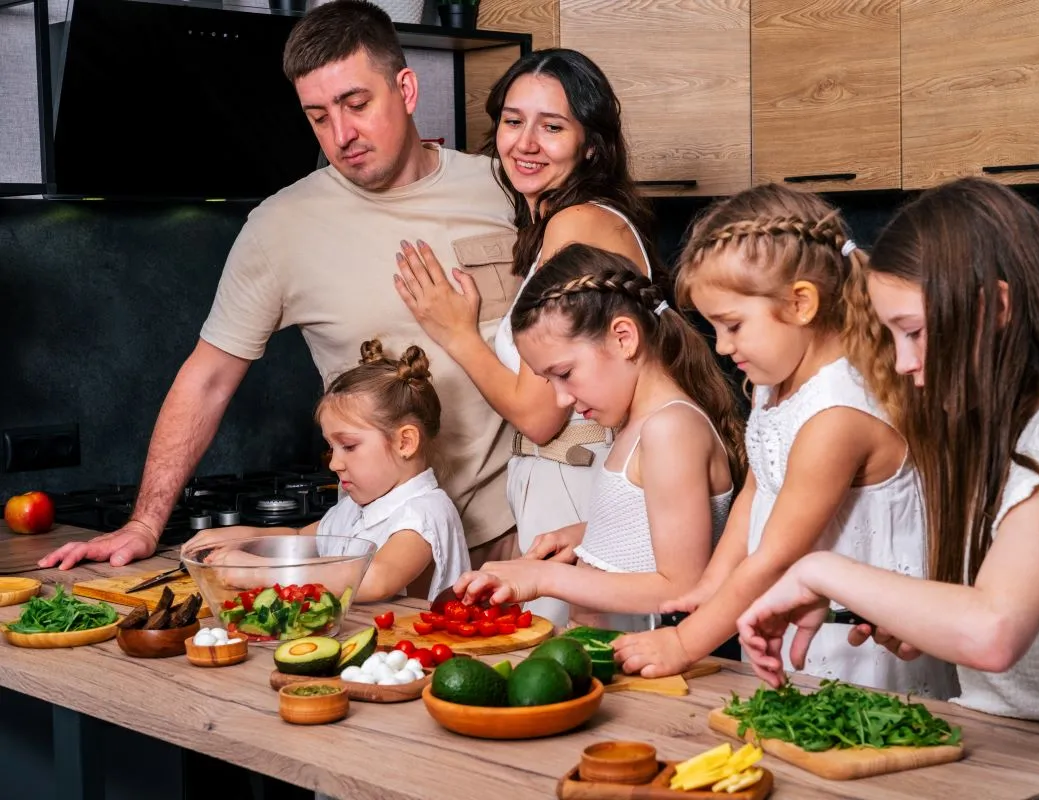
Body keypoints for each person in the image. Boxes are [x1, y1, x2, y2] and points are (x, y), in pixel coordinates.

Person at [737, 177, 1039, 799]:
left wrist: (823, 571)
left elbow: (993, 631)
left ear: (995, 309)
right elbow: (998, 605)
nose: (901, 362)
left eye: (915, 331)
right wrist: (903, 614)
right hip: (1035, 755)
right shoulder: (990, 428)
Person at [39, 0, 520, 572]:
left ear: (407, 90)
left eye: (356, 103)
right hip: (376, 548)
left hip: (517, 531)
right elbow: (208, 379)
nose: (341, 134)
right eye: (318, 116)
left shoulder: (503, 187)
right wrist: (145, 522)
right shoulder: (280, 226)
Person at [613, 185, 956, 700]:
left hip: (858, 650)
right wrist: (711, 585)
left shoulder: (837, 414)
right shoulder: (777, 384)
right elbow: (759, 488)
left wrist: (686, 642)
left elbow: (776, 555)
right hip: (789, 623)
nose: (724, 348)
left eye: (731, 326)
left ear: (800, 303)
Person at [391, 48, 655, 626]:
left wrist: (455, 331)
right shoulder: (563, 225)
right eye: (513, 121)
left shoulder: (577, 223)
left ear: (591, 143)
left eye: (552, 126)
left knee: (582, 678)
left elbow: (541, 414)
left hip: (579, 480)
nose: (525, 143)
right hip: (570, 485)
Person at [453, 244, 743, 631]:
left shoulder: (670, 429)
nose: (561, 399)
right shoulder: (638, 423)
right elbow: (654, 528)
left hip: (657, 671)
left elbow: (682, 586)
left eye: (565, 373)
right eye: (549, 381)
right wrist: (586, 535)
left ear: (624, 337)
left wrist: (543, 579)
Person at [184, 340, 468, 603]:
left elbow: (375, 578)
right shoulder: (355, 508)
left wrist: (260, 571)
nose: (333, 464)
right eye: (332, 448)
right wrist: (246, 539)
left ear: (405, 442)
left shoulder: (426, 512)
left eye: (349, 446)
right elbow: (298, 539)